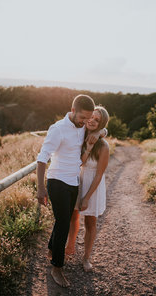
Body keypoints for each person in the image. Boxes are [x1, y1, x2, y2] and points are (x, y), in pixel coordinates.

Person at [36, 94, 106, 288]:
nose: (86, 122)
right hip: (57, 181)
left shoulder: (82, 125)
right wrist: (41, 188)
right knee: (64, 224)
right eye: (83, 118)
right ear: (73, 111)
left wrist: (101, 133)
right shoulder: (58, 129)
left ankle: (51, 249)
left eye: (89, 118)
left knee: (63, 220)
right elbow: (42, 158)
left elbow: (102, 128)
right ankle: (57, 267)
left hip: (73, 182)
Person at [65, 106, 110, 272]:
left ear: (101, 124)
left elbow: (99, 175)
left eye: (97, 120)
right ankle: (70, 247)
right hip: (76, 181)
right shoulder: (79, 134)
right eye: (92, 117)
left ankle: (86, 258)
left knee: (90, 222)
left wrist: (87, 198)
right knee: (72, 217)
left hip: (92, 186)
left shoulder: (103, 147)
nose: (92, 120)